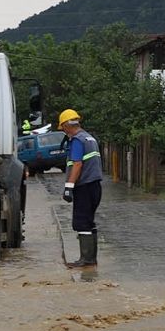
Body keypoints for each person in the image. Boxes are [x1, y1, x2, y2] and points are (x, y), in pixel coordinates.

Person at [58, 108, 102, 267]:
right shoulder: (90, 138)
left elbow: (77, 164)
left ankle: (86, 259)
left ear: (66, 126)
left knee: (81, 222)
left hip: (84, 187)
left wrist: (68, 187)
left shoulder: (77, 140)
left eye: (63, 128)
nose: (64, 131)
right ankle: (91, 259)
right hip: (95, 186)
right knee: (89, 221)